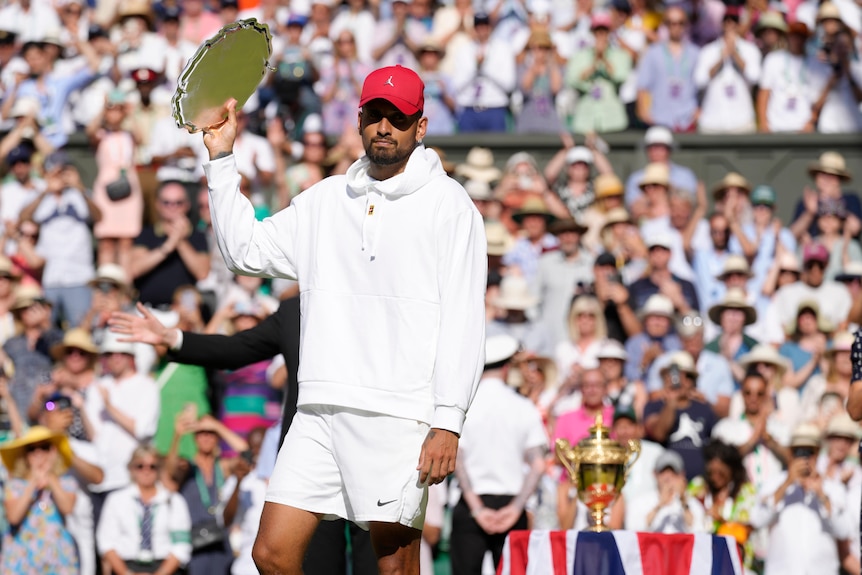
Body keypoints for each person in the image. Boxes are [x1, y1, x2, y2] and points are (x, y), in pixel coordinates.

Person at [198, 64, 486, 575]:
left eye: (397, 118)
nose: (383, 127)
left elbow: (465, 319)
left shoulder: (451, 206)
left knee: (394, 568)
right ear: (358, 120)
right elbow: (244, 251)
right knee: (271, 554)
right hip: (319, 410)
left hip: (399, 416)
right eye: (374, 114)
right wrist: (222, 158)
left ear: (420, 127)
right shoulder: (324, 199)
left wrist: (448, 420)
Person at [451, 334, 545, 574]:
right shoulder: (524, 406)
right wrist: (515, 508)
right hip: (511, 505)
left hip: (471, 505)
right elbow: (537, 464)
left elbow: (457, 458)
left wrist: (478, 509)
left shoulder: (464, 406)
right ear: (506, 368)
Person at [96, 445, 193, 575]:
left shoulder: (174, 500)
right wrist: (126, 573)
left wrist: (160, 573)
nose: (146, 471)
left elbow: (181, 544)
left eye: (152, 466)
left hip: (165, 567)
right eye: (140, 466)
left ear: (159, 469)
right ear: (131, 468)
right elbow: (106, 542)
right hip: (126, 566)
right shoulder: (117, 499)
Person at [0, 425, 79, 574]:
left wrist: (50, 478)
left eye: (44, 447)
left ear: (53, 451)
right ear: (25, 455)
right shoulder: (15, 486)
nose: (38, 453)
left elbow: (67, 508)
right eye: (32, 449)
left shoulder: (66, 482)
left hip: (58, 559)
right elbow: (14, 517)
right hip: (21, 559)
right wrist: (32, 483)